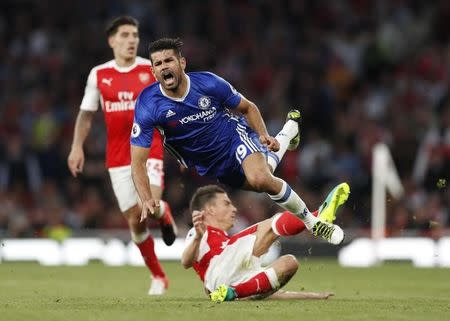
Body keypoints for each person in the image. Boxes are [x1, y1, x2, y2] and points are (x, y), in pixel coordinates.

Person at [130, 37, 343, 245]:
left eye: (169, 60)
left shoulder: (209, 83)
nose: (164, 66)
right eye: (158, 63)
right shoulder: (148, 104)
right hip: (211, 164)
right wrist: (147, 198)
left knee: (260, 178)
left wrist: (263, 134)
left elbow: (248, 107)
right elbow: (138, 161)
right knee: (264, 180)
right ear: (153, 72)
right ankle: (290, 130)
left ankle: (314, 224)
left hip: (234, 138)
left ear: (182, 63)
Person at [67, 16, 178, 295]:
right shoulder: (99, 74)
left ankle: (160, 211)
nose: (132, 40)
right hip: (117, 156)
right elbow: (86, 114)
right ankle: (159, 276)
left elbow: (173, 101)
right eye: (126, 35)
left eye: (135, 35)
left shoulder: (149, 69)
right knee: (134, 220)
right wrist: (76, 146)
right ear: (112, 40)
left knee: (148, 204)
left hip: (148, 147)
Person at [181, 183, 350, 302]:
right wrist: (197, 236)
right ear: (210, 209)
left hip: (230, 288)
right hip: (219, 274)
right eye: (227, 204)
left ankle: (234, 293)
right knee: (269, 226)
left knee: (289, 263)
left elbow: (266, 291)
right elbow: (185, 262)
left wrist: (312, 296)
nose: (234, 209)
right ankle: (316, 217)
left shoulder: (226, 244)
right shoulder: (202, 232)